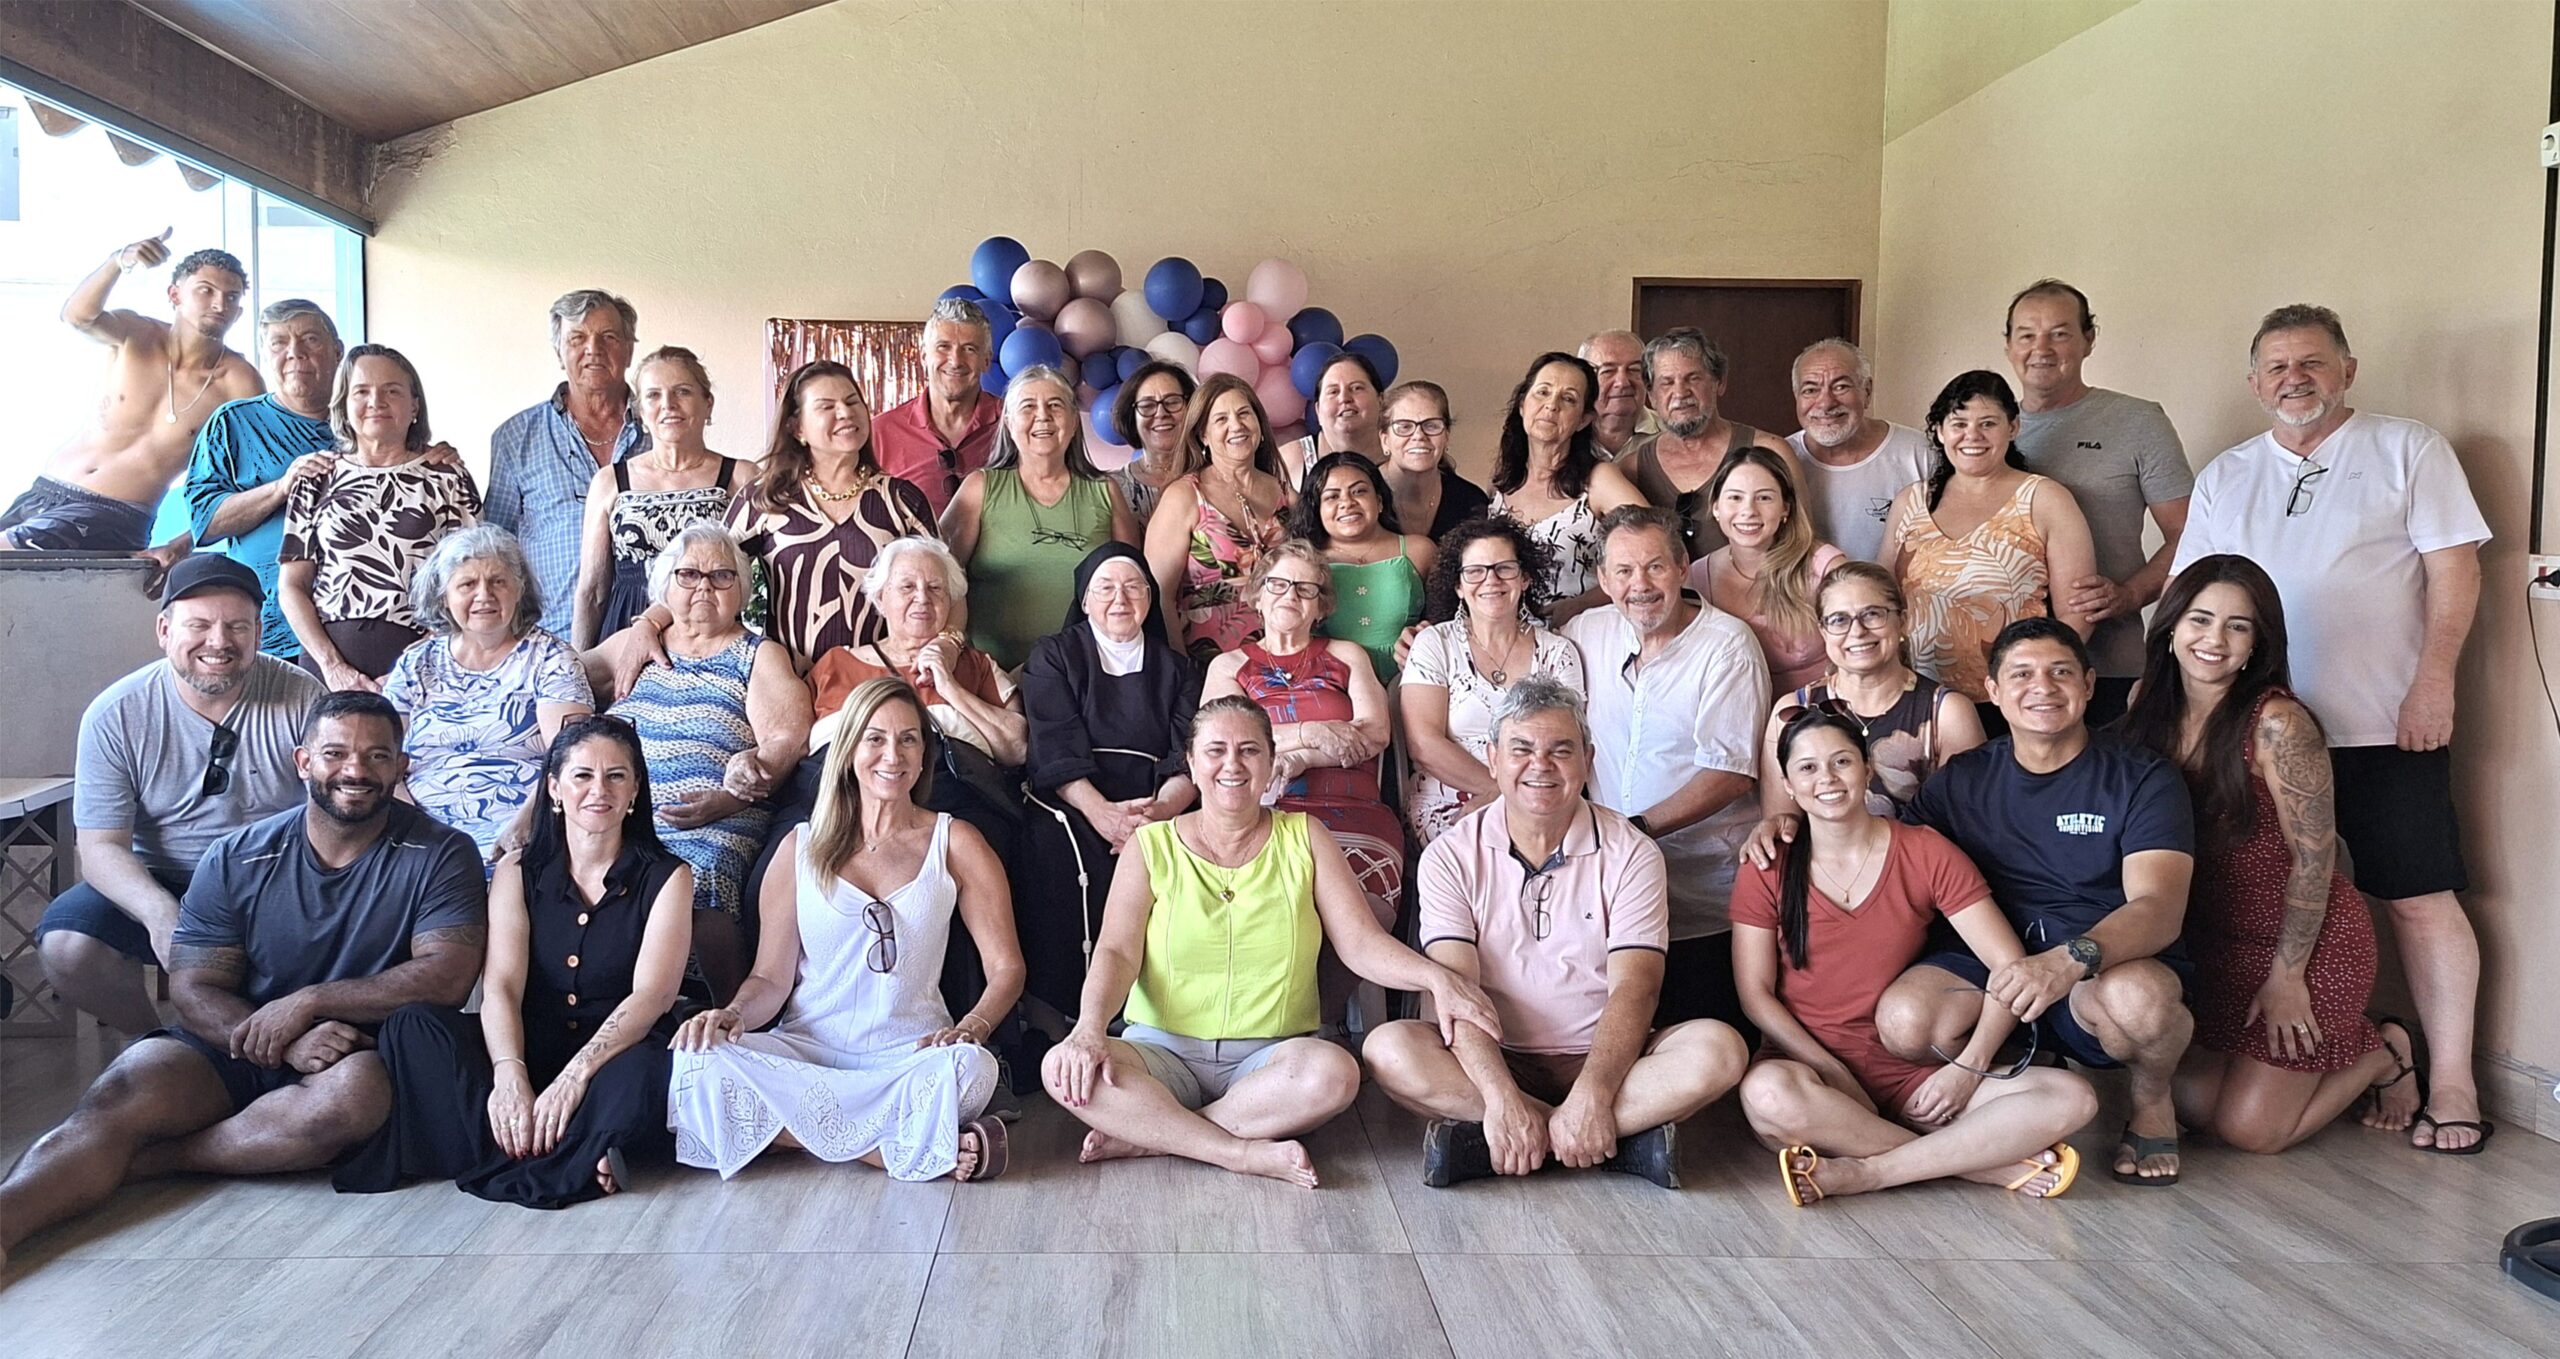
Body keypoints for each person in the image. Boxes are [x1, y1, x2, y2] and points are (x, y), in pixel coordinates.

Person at [0, 692, 485, 1270]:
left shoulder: (440, 852)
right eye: (335, 753)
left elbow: (447, 976)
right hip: (234, 1036)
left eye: (377, 756)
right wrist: (287, 1036)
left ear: (401, 766)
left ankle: (152, 1162)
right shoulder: (237, 855)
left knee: (349, 1101)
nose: (355, 770)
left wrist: (310, 1002)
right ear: (303, 762)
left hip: (354, 1051)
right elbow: (194, 987)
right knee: (122, 1091)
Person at [2171, 304, 2492, 1153]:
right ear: (2254, 382)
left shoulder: (2409, 449)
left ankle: (2451, 1080)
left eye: (2312, 362)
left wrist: (2435, 680)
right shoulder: (2228, 473)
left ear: (2347, 370)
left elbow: (2453, 574)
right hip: (2251, 736)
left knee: (2418, 900)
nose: (2295, 379)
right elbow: (2188, 601)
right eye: (2277, 366)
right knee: (2251, 896)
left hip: (2384, 724)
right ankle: (2348, 1050)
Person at [1040, 697, 1501, 1187]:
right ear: (1191, 764)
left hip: (1269, 1065)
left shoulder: (1306, 836)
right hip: (1160, 1054)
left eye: (1249, 750)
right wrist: (1089, 1030)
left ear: (1270, 763)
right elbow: (1116, 952)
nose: (1232, 765)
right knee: (1060, 1069)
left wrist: (1437, 978)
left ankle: (1157, 1134)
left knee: (1335, 1074)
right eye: (1215, 751)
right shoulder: (1151, 845)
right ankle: (1236, 1151)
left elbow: (1361, 943)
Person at [1366, 678, 1748, 1188]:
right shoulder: (1450, 856)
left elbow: (1637, 987)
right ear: (1493, 760)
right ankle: (1595, 1138)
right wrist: (1501, 1096)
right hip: (1495, 1060)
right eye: (1521, 749)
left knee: (1720, 1051)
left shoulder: (1632, 852)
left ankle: (1510, 1139)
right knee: (1389, 1050)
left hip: (1608, 1061)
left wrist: (1594, 1092)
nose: (1540, 766)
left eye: (1561, 750)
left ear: (1587, 761)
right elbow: (1458, 992)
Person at [1872, 619, 2196, 1185]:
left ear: (2089, 685)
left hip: (2095, 970)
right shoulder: (1963, 779)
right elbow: (1896, 860)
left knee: (2141, 1004)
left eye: (2060, 672)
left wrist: (2067, 961)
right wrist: (1787, 827)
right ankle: (2031, 1084)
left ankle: (2150, 1100)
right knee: (1905, 1022)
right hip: (1986, 966)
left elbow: (2159, 909)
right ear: (1994, 691)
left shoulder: (2142, 777)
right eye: (2021, 674)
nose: (2042, 687)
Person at [1735, 706, 2094, 1206]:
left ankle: (1870, 1170)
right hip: (1811, 1071)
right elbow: (1755, 994)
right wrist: (1831, 1070)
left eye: (1842, 762)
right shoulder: (1769, 865)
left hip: (1911, 1070)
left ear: (1867, 769)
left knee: (2073, 1097)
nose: (1828, 779)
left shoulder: (1924, 851)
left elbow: (2010, 968)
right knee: (1767, 1094)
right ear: (1789, 786)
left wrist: (1968, 1068)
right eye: (1808, 768)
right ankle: (1976, 1165)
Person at [668, 679, 1024, 1183]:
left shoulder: (956, 842)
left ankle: (795, 1132)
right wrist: (731, 1014)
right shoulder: (799, 847)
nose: (892, 755)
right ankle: (889, 1148)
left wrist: (973, 1028)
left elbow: (1007, 967)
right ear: (850, 749)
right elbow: (770, 979)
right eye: (875, 738)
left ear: (924, 754)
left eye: (908, 739)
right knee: (699, 1060)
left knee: (973, 1070)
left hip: (907, 1055)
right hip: (807, 1051)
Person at [335, 716, 692, 1205]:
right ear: (555, 788)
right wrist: (509, 1074)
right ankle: (573, 1154)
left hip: (613, 1054)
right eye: (582, 775)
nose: (599, 790)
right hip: (527, 1044)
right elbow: (501, 985)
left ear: (634, 791)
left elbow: (652, 996)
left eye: (616, 776)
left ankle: (518, 1149)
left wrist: (575, 1077)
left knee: (652, 1067)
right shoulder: (517, 869)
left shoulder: (669, 876)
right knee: (412, 1026)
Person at [2121, 555, 2410, 1155]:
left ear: (2258, 642)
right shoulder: (2145, 704)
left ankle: (2384, 1052)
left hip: (2302, 944)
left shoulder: (2278, 723)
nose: (2214, 640)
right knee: (2190, 1106)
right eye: (2200, 619)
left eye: (2238, 626)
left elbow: (2316, 860)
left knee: (2251, 1133)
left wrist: (2288, 978)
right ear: (2171, 626)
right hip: (2211, 943)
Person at [35, 556, 322, 1035]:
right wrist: (160, 914)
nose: (219, 642)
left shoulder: (304, 699)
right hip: (160, 877)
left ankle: (268, 1046)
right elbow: (101, 846)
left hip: (274, 875)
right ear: (165, 630)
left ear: (258, 632)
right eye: (199, 625)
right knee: (68, 946)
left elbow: (331, 816)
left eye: (237, 627)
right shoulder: (116, 713)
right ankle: (159, 1044)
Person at [1563, 506, 1769, 1034]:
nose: (1641, 585)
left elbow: (1731, 773)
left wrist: (1633, 832)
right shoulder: (1584, 633)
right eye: (1624, 571)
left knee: (1709, 1045)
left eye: (1655, 567)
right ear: (1603, 579)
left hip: (1702, 901)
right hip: (1608, 904)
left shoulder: (1728, 645)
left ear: (1681, 568)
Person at [1202, 541, 1406, 1025]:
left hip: (1354, 809)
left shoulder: (1346, 655)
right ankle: (1272, 1022)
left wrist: (1295, 758)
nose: (1289, 595)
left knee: (1367, 908)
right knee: (1264, 910)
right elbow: (1220, 739)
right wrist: (1311, 732)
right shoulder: (1229, 667)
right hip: (1266, 812)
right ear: (1257, 595)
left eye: (1304, 588)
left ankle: (1317, 1021)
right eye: (1277, 584)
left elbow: (1374, 732)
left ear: (1321, 605)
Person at [609, 525, 812, 999]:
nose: (705, 587)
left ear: (742, 591)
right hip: (622, 816)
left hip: (718, 818)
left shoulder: (757, 654)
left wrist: (734, 791)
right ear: (664, 586)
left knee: (697, 875)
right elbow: (566, 675)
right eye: (689, 575)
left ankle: (730, 1012)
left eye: (722, 576)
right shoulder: (635, 646)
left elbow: (789, 736)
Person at [633, 360, 934, 676]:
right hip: (789, 680)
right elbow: (702, 571)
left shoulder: (901, 500)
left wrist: (948, 645)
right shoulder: (765, 497)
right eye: (826, 406)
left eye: (852, 402)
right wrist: (649, 623)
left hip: (881, 685)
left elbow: (948, 591)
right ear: (797, 427)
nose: (845, 413)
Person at [1018, 543, 1199, 1018]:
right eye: (1106, 588)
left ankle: (1158, 1011)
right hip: (1073, 799)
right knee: (1060, 855)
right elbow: (1055, 744)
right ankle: (1071, 1011)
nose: (1120, 599)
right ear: (1084, 599)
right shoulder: (1054, 656)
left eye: (1134, 587)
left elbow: (1189, 757)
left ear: (1149, 598)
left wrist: (1155, 815)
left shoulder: (1179, 669)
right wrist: (1101, 813)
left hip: (1155, 803)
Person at [2005, 281, 2195, 727]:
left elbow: (2191, 534)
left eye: (2060, 334)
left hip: (2108, 666)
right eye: (2027, 335)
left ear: (2089, 340)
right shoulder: (1983, 432)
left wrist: (2130, 594)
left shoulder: (2137, 422)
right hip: (2003, 671)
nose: (2041, 349)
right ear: (2009, 345)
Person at [3, 232, 256, 560]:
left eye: (231, 297)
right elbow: (77, 317)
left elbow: (251, 480)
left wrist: (182, 543)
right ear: (175, 295)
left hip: (113, 516)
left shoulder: (239, 382)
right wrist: (118, 261)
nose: (220, 305)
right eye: (206, 291)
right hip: (43, 493)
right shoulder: (137, 334)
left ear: (239, 311)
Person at [1880, 370, 2097, 717]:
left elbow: (2079, 612)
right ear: (1939, 431)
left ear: (2013, 427)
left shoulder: (2045, 499)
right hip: (1916, 697)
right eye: (1959, 423)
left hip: (2013, 702)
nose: (1972, 436)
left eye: (1988, 424)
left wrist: (2036, 687)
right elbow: (1881, 598)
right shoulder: (1911, 501)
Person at [383, 526, 594, 864]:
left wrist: (526, 825)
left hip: (516, 835)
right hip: (419, 834)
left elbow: (572, 758)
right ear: (443, 597)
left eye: (498, 582)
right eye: (467, 584)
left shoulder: (550, 658)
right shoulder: (416, 664)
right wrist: (415, 833)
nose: (484, 595)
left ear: (519, 590)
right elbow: (380, 758)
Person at [277, 345, 482, 689]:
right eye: (361, 391)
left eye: (392, 391)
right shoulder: (315, 478)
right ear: (343, 405)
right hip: (326, 667)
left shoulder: (448, 478)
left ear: (414, 406)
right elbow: (291, 586)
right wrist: (332, 667)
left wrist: (419, 660)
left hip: (426, 663)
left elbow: (474, 580)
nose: (376, 401)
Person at [1401, 515, 1588, 844]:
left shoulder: (1558, 652)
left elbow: (1567, 742)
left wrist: (1510, 798)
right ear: (1458, 586)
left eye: (1504, 568)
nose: (1491, 580)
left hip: (1541, 795)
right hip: (1449, 802)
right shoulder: (1434, 643)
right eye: (1475, 571)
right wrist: (1501, 793)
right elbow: (1423, 745)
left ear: (1525, 578)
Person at [941, 365, 1140, 671]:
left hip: (1083, 675)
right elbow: (941, 578)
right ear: (1009, 422)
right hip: (990, 677)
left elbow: (1134, 586)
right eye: (1028, 407)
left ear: (1073, 421)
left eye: (1055, 406)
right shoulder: (980, 488)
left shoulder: (1105, 491)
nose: (1043, 416)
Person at [1754, 561, 1983, 825]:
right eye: (1839, 620)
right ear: (1823, 631)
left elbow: (1964, 826)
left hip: (1921, 852)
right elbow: (1781, 824)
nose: (1858, 631)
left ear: (1903, 621)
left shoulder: (1947, 713)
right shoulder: (1792, 711)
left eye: (1872, 614)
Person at [184, 299, 346, 661]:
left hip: (354, 627)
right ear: (265, 355)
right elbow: (205, 523)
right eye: (279, 343)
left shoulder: (366, 420)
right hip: (268, 630)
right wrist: (281, 487)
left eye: (310, 340)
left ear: (337, 351)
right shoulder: (234, 423)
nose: (295, 353)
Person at [487, 290, 647, 640]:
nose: (593, 349)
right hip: (549, 642)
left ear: (629, 350)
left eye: (609, 337)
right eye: (577, 338)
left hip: (651, 640)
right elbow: (495, 549)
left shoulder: (660, 431)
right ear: (559, 352)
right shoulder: (516, 438)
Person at [569, 346, 743, 649]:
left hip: (712, 638)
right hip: (624, 632)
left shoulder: (740, 477)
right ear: (640, 411)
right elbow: (592, 590)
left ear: (708, 403)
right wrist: (578, 665)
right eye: (653, 395)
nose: (668, 405)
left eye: (682, 392)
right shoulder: (610, 482)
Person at [809, 535, 1026, 767]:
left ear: (949, 601)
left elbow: (1018, 749)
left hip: (949, 788)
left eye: (935, 588)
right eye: (907, 587)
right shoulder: (835, 664)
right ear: (880, 599)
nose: (923, 598)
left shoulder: (977, 665)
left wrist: (951, 689)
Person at [1143, 372, 1290, 666]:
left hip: (1283, 663)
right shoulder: (1184, 496)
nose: (1236, 425)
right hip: (1206, 668)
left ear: (1259, 425)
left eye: (1244, 414)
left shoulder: (1284, 492)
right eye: (1221, 419)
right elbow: (1158, 595)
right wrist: (1181, 671)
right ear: (1203, 435)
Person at [1488, 352, 1647, 617]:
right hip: (1509, 634)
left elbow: (1657, 548)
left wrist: (1579, 605)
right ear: (1522, 405)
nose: (1551, 406)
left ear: (1583, 420)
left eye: (1568, 399)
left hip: (1581, 631)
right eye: (1542, 392)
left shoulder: (1599, 480)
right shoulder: (1502, 482)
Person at [1620, 327, 1793, 559]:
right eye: (1667, 382)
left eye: (1693, 378)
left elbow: (1800, 540)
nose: (1680, 393)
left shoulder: (1771, 450)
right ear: (1651, 396)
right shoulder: (1632, 468)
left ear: (1719, 383)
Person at [1691, 447, 1846, 692]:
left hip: (1823, 705)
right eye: (1735, 498)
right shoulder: (1697, 578)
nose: (1749, 511)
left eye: (1764, 498)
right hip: (1736, 706)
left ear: (1786, 508)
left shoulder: (1826, 567)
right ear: (1716, 507)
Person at [1783, 339, 1933, 565]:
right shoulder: (1783, 459)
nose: (1825, 403)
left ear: (1867, 391)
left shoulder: (1919, 453)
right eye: (1810, 390)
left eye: (1840, 387)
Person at [1291, 451, 1437, 681]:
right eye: (1332, 496)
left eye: (1359, 491)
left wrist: (1426, 632)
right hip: (1330, 682)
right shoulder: (1303, 562)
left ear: (1379, 501)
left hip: (1411, 678)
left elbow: (1449, 618)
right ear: (1317, 509)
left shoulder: (1419, 550)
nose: (1347, 503)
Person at [871, 297, 1002, 518]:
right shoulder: (880, 433)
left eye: (969, 349)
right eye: (943, 347)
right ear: (924, 355)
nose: (955, 361)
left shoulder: (1014, 424)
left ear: (986, 361)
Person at [1377, 380, 1492, 541]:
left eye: (1431, 425)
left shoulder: (1471, 501)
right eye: (1404, 427)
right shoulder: (1360, 493)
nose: (1419, 436)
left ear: (1446, 436)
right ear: (1385, 440)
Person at [1277, 350, 1388, 490]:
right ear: (1318, 410)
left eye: (1356, 388)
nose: (1344, 398)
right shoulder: (1288, 461)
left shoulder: (1402, 453)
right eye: (1333, 392)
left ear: (1381, 401)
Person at [1108, 360, 1197, 527]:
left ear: (1191, 408)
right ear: (1132, 417)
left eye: (1172, 402)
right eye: (1147, 405)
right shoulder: (1111, 489)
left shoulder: (1214, 479)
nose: (1161, 413)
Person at [1579, 329, 1659, 462]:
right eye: (1608, 371)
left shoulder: (1672, 435)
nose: (1623, 382)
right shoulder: (1566, 436)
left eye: (1634, 370)